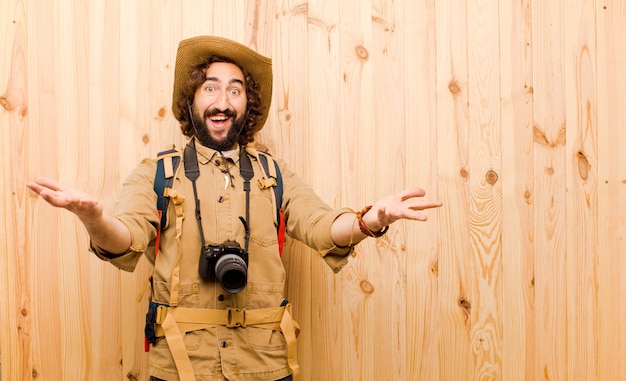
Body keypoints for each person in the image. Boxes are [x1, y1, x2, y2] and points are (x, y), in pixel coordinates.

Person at [27, 36, 443, 381]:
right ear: (191, 98)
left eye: (234, 89)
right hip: (180, 365)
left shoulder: (274, 174)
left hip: (266, 366)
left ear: (247, 103)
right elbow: (127, 238)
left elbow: (322, 226)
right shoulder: (157, 173)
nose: (221, 101)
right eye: (210, 87)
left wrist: (369, 221)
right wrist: (94, 219)